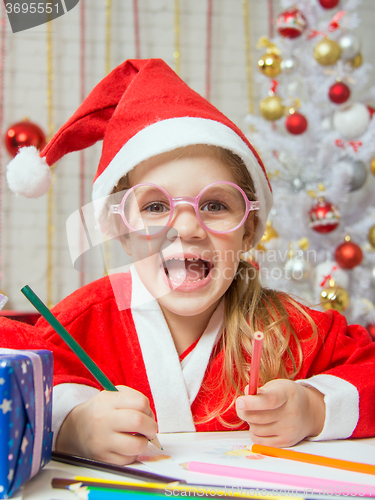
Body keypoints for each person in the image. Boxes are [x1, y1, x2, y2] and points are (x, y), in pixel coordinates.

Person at [2, 58, 375, 467]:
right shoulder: (84, 320)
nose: (186, 227)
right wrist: (72, 426)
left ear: (249, 231)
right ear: (123, 232)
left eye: (215, 205)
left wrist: (315, 406)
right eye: (156, 206)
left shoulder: (290, 330)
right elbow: (19, 376)